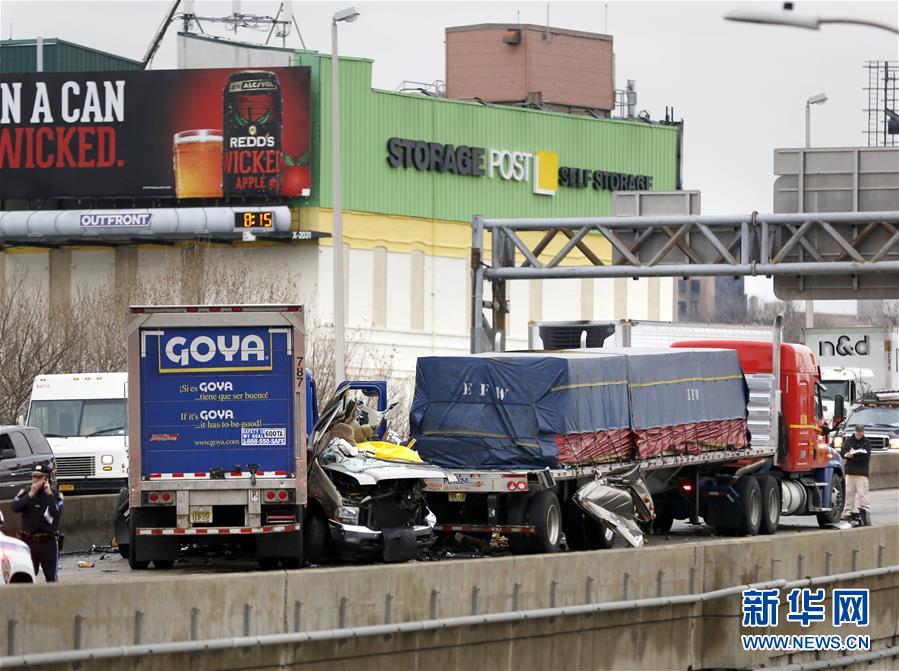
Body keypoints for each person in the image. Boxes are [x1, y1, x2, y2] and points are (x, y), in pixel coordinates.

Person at [11, 464, 64, 581]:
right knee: (26, 578)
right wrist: (30, 494)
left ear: (46, 479)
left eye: (38, 477)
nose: (34, 480)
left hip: (48, 543)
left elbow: (56, 513)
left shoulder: (55, 494)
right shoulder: (26, 492)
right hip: (29, 541)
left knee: (51, 579)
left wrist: (49, 494)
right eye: (33, 477)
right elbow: (14, 507)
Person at [840, 424, 872, 526]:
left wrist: (853, 456)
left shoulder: (866, 442)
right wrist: (847, 454)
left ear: (863, 432)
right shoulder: (849, 440)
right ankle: (847, 512)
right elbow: (842, 451)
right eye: (857, 433)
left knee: (862, 493)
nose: (858, 435)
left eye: (860, 433)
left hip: (861, 472)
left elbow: (866, 457)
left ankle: (865, 511)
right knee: (849, 493)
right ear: (855, 431)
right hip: (850, 471)